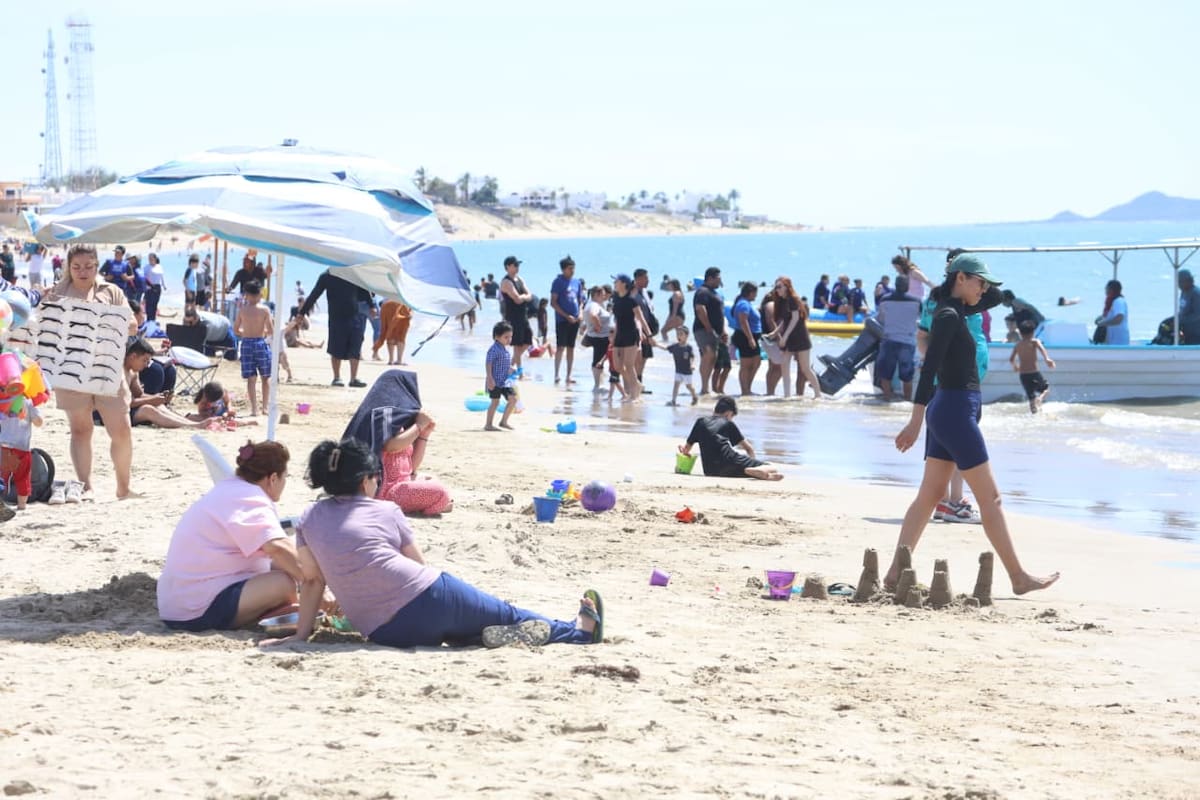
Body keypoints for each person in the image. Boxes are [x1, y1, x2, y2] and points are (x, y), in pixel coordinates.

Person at [259, 439, 603, 649]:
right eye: (375, 478)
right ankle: (579, 633)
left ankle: (472, 636)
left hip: (383, 632)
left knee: (461, 623)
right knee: (506, 612)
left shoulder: (308, 518)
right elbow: (420, 569)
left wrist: (301, 635)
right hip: (427, 599)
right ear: (365, 480)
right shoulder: (387, 510)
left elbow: (313, 581)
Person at [888, 254, 1060, 596]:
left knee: (930, 495)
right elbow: (930, 366)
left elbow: (997, 296)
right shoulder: (950, 316)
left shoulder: (958, 309)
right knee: (991, 499)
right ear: (963, 278)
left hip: (952, 409)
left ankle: (895, 574)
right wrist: (914, 422)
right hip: (953, 410)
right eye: (979, 281)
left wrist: (969, 284)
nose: (984, 290)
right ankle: (1019, 577)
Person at [157, 440, 307, 631]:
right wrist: (313, 584)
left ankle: (282, 611)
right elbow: (276, 547)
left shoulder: (230, 488)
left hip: (181, 602)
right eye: (286, 477)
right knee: (282, 583)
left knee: (283, 566)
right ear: (273, 478)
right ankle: (292, 612)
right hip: (196, 609)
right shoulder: (250, 497)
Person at [42, 245, 134, 501]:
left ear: (97, 266)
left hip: (108, 371)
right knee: (81, 430)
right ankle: (86, 486)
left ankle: (123, 488)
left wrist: (124, 323)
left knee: (122, 429)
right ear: (68, 268)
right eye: (76, 267)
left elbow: (133, 323)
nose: (82, 272)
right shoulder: (57, 293)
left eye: (88, 266)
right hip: (70, 372)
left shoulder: (111, 292)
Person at [678, 396, 782, 480]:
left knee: (746, 470)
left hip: (710, 470)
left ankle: (762, 474)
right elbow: (749, 448)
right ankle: (758, 471)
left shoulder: (700, 422)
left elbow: (686, 450)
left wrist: (684, 451)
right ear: (729, 413)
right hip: (731, 462)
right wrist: (753, 463)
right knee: (771, 467)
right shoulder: (728, 423)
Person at [298, 270, 372, 387]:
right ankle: (337, 377)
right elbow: (315, 294)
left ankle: (354, 378)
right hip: (336, 318)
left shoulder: (352, 273)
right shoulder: (327, 276)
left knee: (356, 346)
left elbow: (364, 290)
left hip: (354, 315)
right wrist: (302, 312)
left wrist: (372, 305)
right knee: (336, 347)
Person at [378, 410, 452, 516]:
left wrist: (424, 435)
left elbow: (410, 468)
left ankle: (428, 503)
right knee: (441, 493)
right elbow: (391, 447)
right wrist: (418, 426)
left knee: (428, 478)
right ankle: (434, 505)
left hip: (402, 482)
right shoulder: (388, 418)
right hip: (388, 492)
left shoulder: (402, 421)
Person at [119, 337, 204, 429]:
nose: (147, 365)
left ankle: (189, 423)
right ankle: (195, 425)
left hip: (126, 409)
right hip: (114, 414)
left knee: (158, 404)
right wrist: (151, 399)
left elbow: (139, 394)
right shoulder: (119, 373)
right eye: (144, 360)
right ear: (133, 357)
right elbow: (125, 402)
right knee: (148, 409)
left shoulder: (133, 372)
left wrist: (160, 398)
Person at [874, 274, 922, 401]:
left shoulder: (885, 300)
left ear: (895, 286)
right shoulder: (916, 301)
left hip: (889, 340)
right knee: (907, 376)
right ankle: (907, 402)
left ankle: (887, 399)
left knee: (885, 374)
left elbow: (881, 319)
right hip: (908, 342)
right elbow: (920, 319)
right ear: (907, 287)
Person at [234, 281, 273, 416]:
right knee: (265, 376)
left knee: (251, 378)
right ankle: (265, 407)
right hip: (260, 342)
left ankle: (254, 409)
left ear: (246, 295)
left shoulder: (242, 310)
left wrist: (245, 333)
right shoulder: (264, 310)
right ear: (260, 294)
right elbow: (271, 330)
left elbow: (236, 329)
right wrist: (262, 332)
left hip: (246, 343)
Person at [610, 273, 651, 402]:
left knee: (629, 365)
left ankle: (634, 395)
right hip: (620, 334)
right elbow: (617, 320)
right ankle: (637, 385)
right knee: (617, 366)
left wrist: (648, 334)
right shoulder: (616, 300)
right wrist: (614, 336)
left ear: (623, 284)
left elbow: (640, 318)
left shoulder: (632, 300)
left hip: (631, 334)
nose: (614, 284)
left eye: (616, 281)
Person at [0, 401, 43, 512]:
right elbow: (38, 422)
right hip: (22, 447)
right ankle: (22, 506)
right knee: (23, 477)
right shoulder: (30, 402)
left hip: (5, 445)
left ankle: (4, 504)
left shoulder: (3, 399)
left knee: (3, 477)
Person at [692, 267, 727, 395]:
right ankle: (704, 388)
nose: (720, 281)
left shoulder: (715, 293)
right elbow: (700, 309)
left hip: (715, 331)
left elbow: (720, 314)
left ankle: (705, 387)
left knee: (713, 358)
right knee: (708, 355)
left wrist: (722, 331)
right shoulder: (702, 292)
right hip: (703, 329)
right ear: (710, 278)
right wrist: (708, 327)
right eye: (718, 278)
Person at [1010, 320, 1056, 413]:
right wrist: (1047, 359)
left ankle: (1034, 414)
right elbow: (1042, 350)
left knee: (1031, 397)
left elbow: (1011, 359)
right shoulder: (1034, 341)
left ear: (1021, 333)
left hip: (1023, 375)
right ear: (1033, 332)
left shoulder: (1018, 345)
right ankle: (1040, 398)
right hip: (1034, 373)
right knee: (1046, 389)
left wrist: (1015, 367)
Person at [550, 255, 582, 384]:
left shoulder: (577, 282)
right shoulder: (558, 282)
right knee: (560, 347)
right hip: (562, 320)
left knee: (571, 347)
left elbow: (581, 300)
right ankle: (557, 374)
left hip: (575, 319)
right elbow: (553, 302)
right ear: (564, 269)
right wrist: (565, 315)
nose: (572, 271)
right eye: (569, 268)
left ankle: (569, 375)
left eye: (573, 268)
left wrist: (580, 313)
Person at [499, 256, 534, 372]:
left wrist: (523, 297)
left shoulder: (519, 279)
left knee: (528, 341)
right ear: (508, 267)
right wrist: (524, 297)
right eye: (515, 265)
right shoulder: (506, 282)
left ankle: (510, 365)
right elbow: (517, 299)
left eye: (518, 265)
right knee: (517, 345)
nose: (517, 267)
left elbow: (530, 295)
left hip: (523, 315)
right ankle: (519, 372)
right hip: (512, 316)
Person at [654, 326, 699, 406]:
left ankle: (694, 396)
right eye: (677, 334)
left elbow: (692, 357)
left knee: (689, 386)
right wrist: (656, 344)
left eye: (681, 334)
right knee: (676, 385)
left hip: (687, 371)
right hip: (678, 371)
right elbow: (666, 348)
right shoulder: (675, 346)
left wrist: (692, 365)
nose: (679, 336)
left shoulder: (688, 347)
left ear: (686, 336)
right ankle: (673, 400)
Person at [485, 320, 517, 431]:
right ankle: (488, 424)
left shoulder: (505, 349)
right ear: (497, 337)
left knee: (513, 399)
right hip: (495, 381)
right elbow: (489, 363)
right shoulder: (494, 349)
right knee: (495, 402)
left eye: (510, 337)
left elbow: (504, 364)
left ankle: (504, 421)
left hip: (505, 382)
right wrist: (489, 378)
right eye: (506, 337)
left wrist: (511, 369)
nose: (509, 340)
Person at [731, 282, 762, 396]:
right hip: (745, 336)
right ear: (750, 292)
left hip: (750, 335)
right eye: (755, 293)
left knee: (756, 361)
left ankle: (748, 388)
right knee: (746, 364)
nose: (756, 296)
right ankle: (745, 390)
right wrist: (750, 338)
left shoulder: (746, 303)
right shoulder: (743, 304)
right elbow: (743, 321)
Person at [582, 285, 613, 395]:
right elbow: (593, 315)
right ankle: (597, 385)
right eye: (603, 294)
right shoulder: (594, 305)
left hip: (599, 336)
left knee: (599, 360)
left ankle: (599, 384)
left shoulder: (593, 304)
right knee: (598, 361)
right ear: (596, 295)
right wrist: (598, 325)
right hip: (600, 337)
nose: (604, 296)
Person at [631, 269, 659, 393]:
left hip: (648, 330)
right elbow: (634, 314)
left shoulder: (645, 292)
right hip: (638, 330)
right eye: (645, 278)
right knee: (637, 358)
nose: (648, 281)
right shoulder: (633, 294)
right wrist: (640, 331)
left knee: (644, 358)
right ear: (638, 279)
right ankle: (633, 385)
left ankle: (639, 383)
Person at [374, 300, 413, 366]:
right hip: (401, 304)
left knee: (389, 331)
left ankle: (391, 359)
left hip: (387, 304)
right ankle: (399, 360)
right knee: (401, 335)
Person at [1093, 279, 1129, 345]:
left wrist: (1104, 323)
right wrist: (1100, 318)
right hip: (1111, 340)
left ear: (1111, 290)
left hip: (1119, 341)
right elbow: (1110, 315)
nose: (1105, 291)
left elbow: (1119, 319)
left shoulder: (1118, 301)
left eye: (1106, 289)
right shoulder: (1111, 302)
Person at [1179, 269, 1200, 344]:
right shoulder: (1184, 292)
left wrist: (1182, 320)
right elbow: (1183, 310)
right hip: (1187, 333)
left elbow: (1197, 315)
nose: (1179, 284)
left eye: (1180, 282)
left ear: (1188, 281)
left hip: (1196, 334)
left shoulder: (1196, 294)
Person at [143, 252, 165, 320]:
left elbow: (162, 277)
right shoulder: (146, 267)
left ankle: (153, 320)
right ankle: (149, 319)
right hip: (149, 287)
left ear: (155, 259)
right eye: (149, 258)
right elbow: (143, 278)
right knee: (149, 305)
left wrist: (164, 285)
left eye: (151, 258)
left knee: (155, 304)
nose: (150, 260)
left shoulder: (159, 266)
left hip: (157, 287)